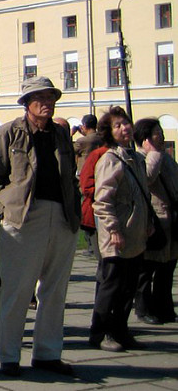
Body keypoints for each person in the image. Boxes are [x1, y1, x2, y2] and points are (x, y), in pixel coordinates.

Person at [0, 76, 80, 378]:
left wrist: (73, 212)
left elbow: (70, 177)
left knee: (54, 291)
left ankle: (48, 354)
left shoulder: (61, 135)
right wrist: (3, 210)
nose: (47, 103)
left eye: (51, 97)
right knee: (17, 290)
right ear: (26, 103)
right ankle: (9, 356)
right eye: (40, 97)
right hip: (23, 217)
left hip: (61, 216)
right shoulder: (9, 133)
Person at [90, 107, 152, 352]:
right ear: (110, 133)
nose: (124, 128)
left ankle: (120, 329)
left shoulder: (136, 158)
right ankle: (101, 332)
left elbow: (143, 195)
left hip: (135, 233)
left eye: (125, 123)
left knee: (129, 286)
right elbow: (102, 200)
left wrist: (147, 223)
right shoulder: (110, 159)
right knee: (111, 286)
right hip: (116, 235)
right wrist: (114, 229)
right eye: (117, 126)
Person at [134, 117, 178, 324]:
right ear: (144, 138)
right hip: (154, 219)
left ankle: (164, 307)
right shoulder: (142, 157)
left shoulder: (164, 156)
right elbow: (148, 178)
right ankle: (143, 308)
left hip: (171, 218)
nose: (160, 136)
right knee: (147, 268)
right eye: (155, 133)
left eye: (160, 132)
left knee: (167, 266)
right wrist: (153, 154)